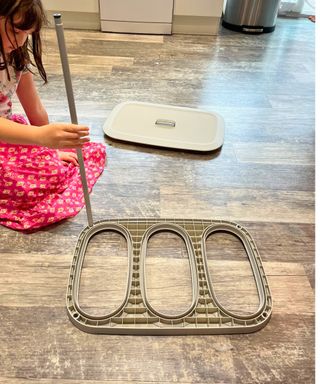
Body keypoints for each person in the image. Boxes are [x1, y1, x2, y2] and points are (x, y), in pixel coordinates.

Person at [0, 0, 106, 231]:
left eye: (26, 34)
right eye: (16, 30)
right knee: (25, 188)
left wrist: (50, 148)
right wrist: (39, 137)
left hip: (8, 135)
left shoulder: (15, 55)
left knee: (56, 168)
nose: (20, 41)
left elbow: (35, 108)